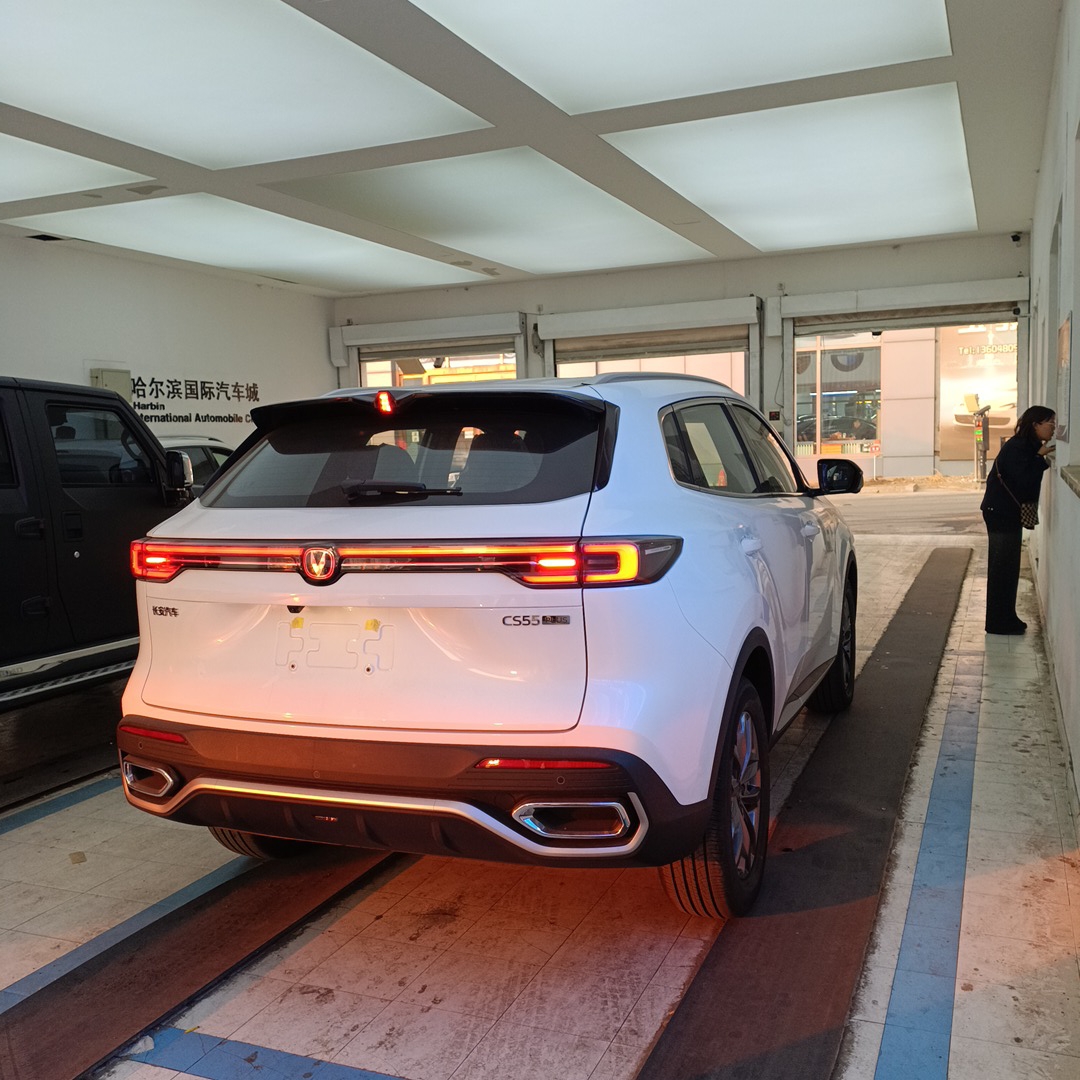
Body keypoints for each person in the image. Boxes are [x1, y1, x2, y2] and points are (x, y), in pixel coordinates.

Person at [980, 405, 1056, 634]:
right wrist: (1040, 458)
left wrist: (1038, 455)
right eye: (1050, 423)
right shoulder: (1018, 447)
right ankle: (999, 623)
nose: (1054, 428)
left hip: (1005, 511)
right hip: (1000, 512)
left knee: (1007, 566)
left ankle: (1005, 617)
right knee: (1002, 568)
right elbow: (1022, 480)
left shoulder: (1027, 445)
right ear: (1036, 425)